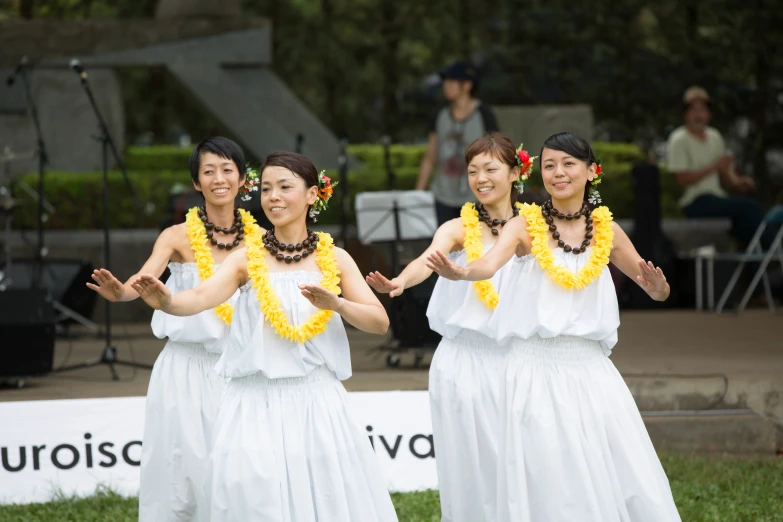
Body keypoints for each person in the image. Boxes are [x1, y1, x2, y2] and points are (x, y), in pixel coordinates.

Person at [427, 132, 682, 521]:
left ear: (591, 172)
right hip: (533, 367)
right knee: (544, 475)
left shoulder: (607, 230)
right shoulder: (525, 225)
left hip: (591, 368)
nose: (558, 173)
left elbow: (653, 289)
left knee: (620, 467)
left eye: (568, 164)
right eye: (549, 165)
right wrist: (461, 272)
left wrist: (660, 289)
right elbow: (488, 265)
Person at [131, 151, 399, 522]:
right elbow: (199, 298)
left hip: (315, 400)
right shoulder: (245, 258)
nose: (273, 197)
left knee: (323, 499)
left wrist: (337, 304)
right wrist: (167, 301)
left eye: (285, 187)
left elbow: (379, 321)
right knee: (254, 500)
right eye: (268, 188)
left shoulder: (334, 258)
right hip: (253, 401)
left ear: (312, 194)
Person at [86, 136, 262, 521]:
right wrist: (121, 295)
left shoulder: (261, 241)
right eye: (208, 171)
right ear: (197, 183)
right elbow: (145, 280)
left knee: (240, 468)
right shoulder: (176, 236)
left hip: (240, 370)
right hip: (185, 369)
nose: (219, 178)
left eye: (227, 169)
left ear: (241, 179)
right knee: (182, 471)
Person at [368, 133, 533, 522]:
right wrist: (401, 282)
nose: (481, 178)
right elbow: (427, 259)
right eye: (473, 171)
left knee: (521, 459)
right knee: (469, 462)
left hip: (519, 359)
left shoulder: (535, 228)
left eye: (491, 169)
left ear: (515, 173)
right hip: (465, 361)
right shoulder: (459, 227)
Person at [667, 86, 772, 249]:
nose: (698, 115)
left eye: (702, 110)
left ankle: (754, 268)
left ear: (709, 114)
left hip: (717, 198)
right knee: (748, 207)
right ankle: (772, 253)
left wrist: (738, 183)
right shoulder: (679, 139)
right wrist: (714, 166)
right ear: (685, 114)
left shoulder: (714, 136)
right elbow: (682, 179)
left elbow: (725, 173)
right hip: (694, 201)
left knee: (747, 224)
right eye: (693, 110)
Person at [416, 60, 501, 225]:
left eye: (451, 81)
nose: (446, 86)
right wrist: (418, 194)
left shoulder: (484, 114)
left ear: (467, 85)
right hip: (443, 195)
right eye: (445, 81)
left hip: (477, 195)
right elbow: (430, 157)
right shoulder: (439, 115)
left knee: (476, 246)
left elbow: (499, 154)